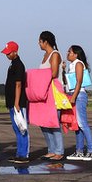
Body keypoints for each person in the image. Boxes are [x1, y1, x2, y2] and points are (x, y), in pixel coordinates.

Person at [64, 45, 92, 161]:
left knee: (83, 124)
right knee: (77, 125)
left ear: (76, 54)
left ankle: (91, 151)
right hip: (73, 94)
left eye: (70, 52)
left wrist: (74, 96)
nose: (67, 53)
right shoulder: (71, 65)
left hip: (79, 95)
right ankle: (79, 150)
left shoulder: (78, 64)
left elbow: (79, 81)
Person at [37, 31, 64, 160]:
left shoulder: (55, 54)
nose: (39, 44)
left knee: (54, 123)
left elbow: (53, 73)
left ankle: (59, 151)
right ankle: (51, 149)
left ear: (45, 41)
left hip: (53, 91)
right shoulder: (44, 55)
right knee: (44, 123)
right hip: (44, 92)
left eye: (40, 41)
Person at [1, 41, 29, 163]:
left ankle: (24, 155)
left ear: (15, 52)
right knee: (16, 128)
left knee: (22, 128)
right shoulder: (12, 64)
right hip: (12, 102)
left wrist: (17, 102)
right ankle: (19, 153)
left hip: (18, 103)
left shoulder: (18, 65)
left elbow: (18, 84)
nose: (7, 55)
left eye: (9, 53)